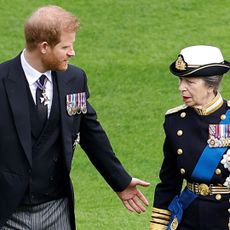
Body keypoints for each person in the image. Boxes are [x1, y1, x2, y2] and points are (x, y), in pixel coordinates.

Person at [0, 5, 150, 230]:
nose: (72, 53)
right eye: (66, 47)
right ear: (44, 47)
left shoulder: (74, 79)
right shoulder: (2, 80)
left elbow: (91, 133)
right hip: (8, 212)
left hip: (56, 209)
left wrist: (121, 181)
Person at [149, 45, 230, 230]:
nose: (181, 88)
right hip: (188, 218)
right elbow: (169, 182)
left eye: (190, 82)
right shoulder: (175, 121)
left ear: (211, 85)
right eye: (180, 80)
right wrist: (158, 226)